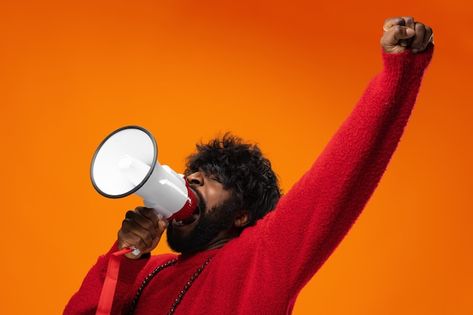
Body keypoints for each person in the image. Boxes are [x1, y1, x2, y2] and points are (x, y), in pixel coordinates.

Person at [65, 16, 434, 315]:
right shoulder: (146, 271)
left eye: (212, 180)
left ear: (240, 214)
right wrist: (126, 257)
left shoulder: (261, 259)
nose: (191, 177)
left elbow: (339, 177)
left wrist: (398, 76)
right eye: (191, 173)